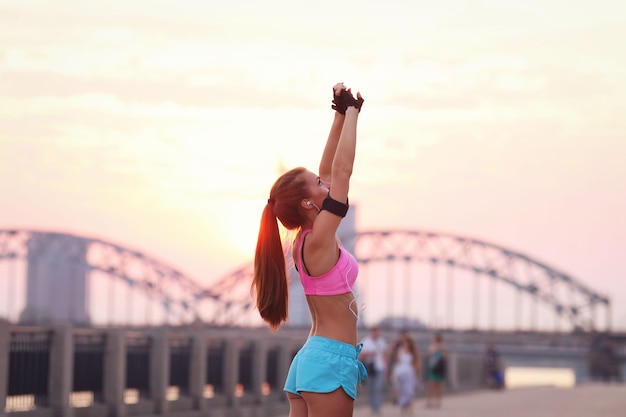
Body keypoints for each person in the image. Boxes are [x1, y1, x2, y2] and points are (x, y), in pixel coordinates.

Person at [252, 82, 365, 417]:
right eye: (318, 184)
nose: (325, 183)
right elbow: (342, 172)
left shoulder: (309, 240)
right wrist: (356, 114)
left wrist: (340, 115)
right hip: (329, 362)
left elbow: (330, 169)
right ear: (306, 202)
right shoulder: (317, 241)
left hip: (314, 359)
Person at [389, 330, 421, 414]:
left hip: (410, 373)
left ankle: (410, 407)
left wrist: (416, 373)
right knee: (402, 390)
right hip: (401, 372)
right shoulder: (400, 350)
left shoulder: (413, 353)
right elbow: (396, 361)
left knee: (409, 390)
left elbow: (416, 364)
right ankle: (403, 407)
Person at [359, 326, 388, 414]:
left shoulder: (381, 341)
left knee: (378, 387)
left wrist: (387, 367)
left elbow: (384, 355)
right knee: (370, 387)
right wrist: (369, 353)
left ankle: (377, 406)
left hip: (380, 367)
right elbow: (360, 356)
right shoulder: (365, 342)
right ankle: (372, 405)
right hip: (370, 368)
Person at [426, 332, 447, 409]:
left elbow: (445, 357)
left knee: (438, 386)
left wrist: (440, 349)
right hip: (433, 367)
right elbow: (429, 353)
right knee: (431, 385)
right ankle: (430, 401)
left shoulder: (442, 347)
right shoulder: (433, 346)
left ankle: (438, 402)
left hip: (438, 368)